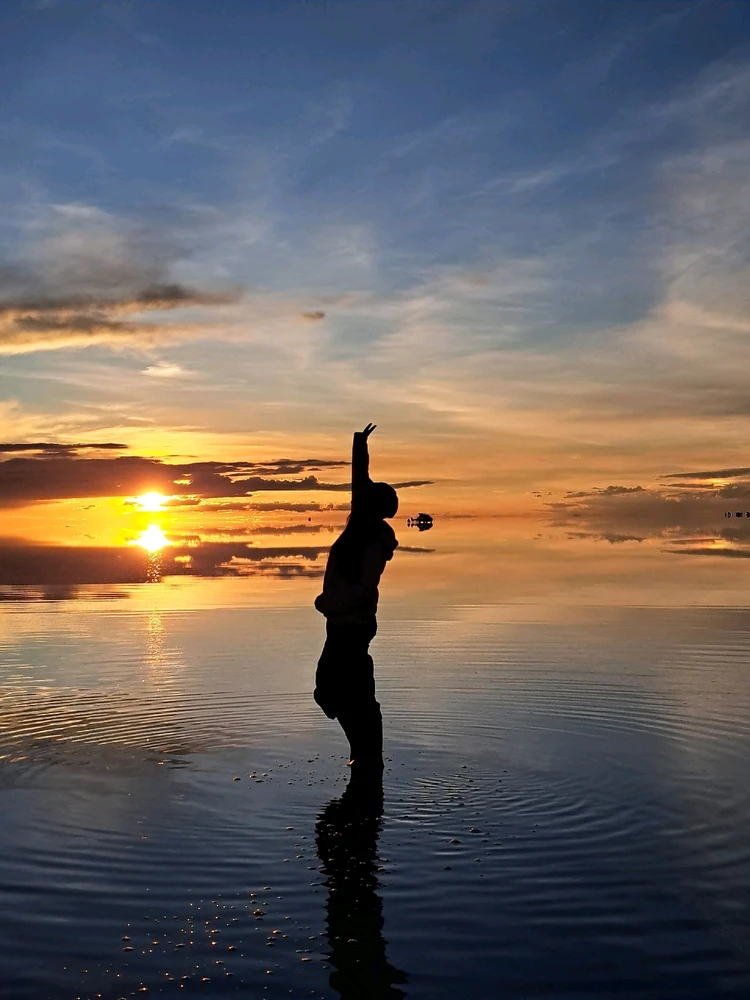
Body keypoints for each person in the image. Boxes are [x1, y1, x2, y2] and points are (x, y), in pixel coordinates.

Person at [313, 424, 398, 770]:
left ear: (375, 506)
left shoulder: (374, 540)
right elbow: (359, 479)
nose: (365, 491)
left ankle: (366, 753)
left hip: (353, 624)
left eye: (373, 492)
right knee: (332, 690)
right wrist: (360, 443)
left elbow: (364, 590)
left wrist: (330, 603)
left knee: (341, 690)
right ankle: (363, 750)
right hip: (340, 623)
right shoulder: (360, 523)